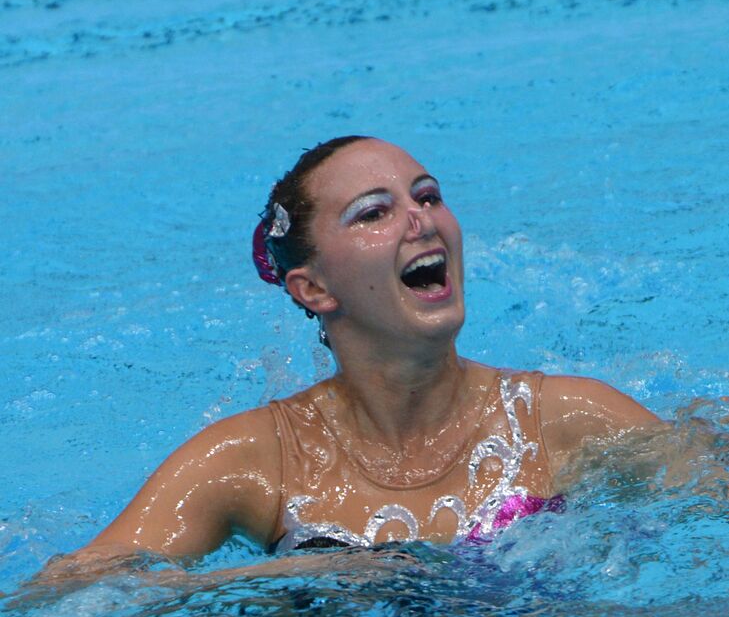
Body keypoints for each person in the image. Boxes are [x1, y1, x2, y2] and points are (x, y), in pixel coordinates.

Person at [72, 136, 660, 559]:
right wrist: (289, 588)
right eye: (374, 212)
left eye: (427, 196)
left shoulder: (569, 419)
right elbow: (71, 601)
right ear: (314, 287)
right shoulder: (252, 463)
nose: (420, 221)